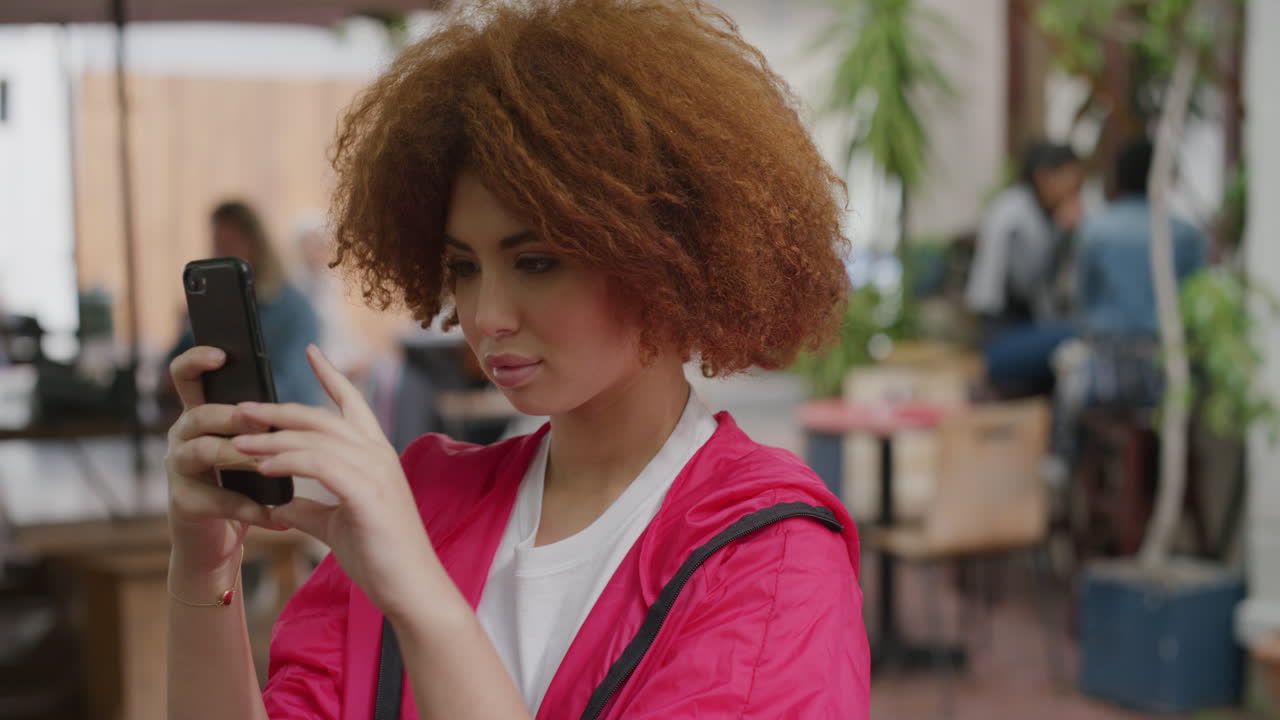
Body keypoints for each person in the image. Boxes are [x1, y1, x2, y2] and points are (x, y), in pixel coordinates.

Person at [163, 2, 870, 719]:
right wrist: (203, 564)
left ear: (665, 258)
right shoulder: (422, 503)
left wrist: (422, 599)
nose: (485, 316)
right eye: (463, 267)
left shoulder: (767, 555)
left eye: (535, 262)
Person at [1063, 139, 1205, 416]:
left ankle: (1068, 456)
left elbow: (1081, 301)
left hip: (1107, 373)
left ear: (1117, 177)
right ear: (1166, 177)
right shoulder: (1186, 234)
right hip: (1168, 374)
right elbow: (1195, 306)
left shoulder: (1094, 230)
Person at [169, 201, 324, 408]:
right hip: (227, 423)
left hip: (284, 429)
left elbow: (296, 386)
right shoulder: (217, 309)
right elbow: (171, 367)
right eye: (218, 244)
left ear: (256, 244)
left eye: (232, 242)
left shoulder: (295, 310)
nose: (222, 253)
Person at [965, 142, 1085, 396]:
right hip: (1002, 336)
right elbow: (1024, 284)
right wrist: (1062, 235)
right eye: (1070, 181)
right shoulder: (1016, 216)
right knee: (1082, 335)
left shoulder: (1037, 212)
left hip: (1025, 330)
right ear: (1043, 177)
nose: (1075, 191)